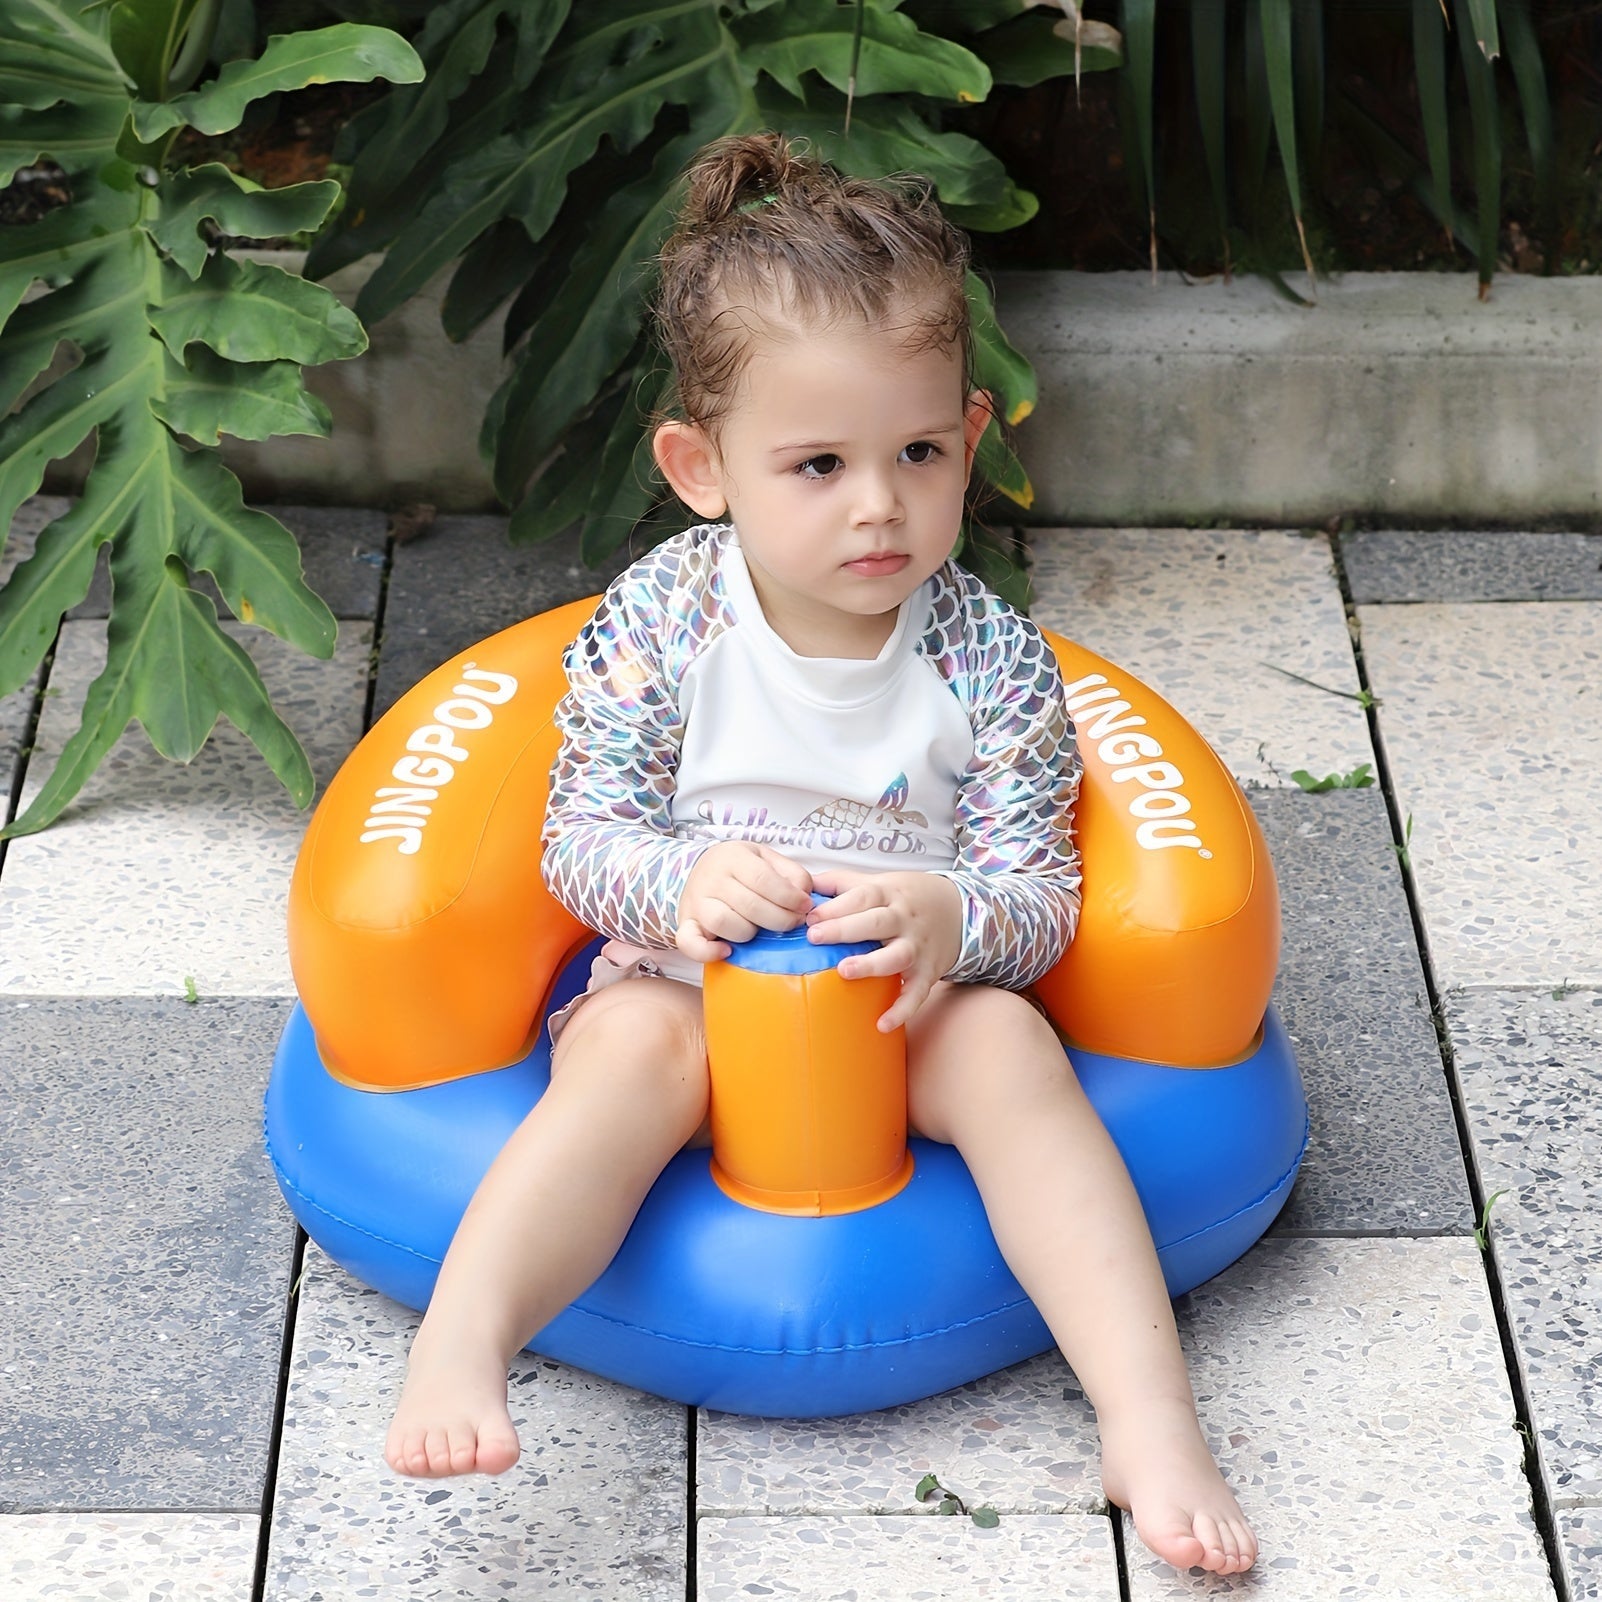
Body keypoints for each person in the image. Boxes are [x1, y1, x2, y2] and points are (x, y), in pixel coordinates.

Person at [383, 131, 1257, 1577]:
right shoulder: (666, 623)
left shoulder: (990, 657)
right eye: (818, 465)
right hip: (686, 984)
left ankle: (1148, 1417)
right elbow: (579, 836)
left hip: (901, 1002)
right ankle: (464, 1344)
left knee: (1013, 1056)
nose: (878, 505)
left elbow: (1039, 891)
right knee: (622, 1057)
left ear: (970, 438)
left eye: (918, 453)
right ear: (701, 467)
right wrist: (679, 885)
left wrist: (949, 918)